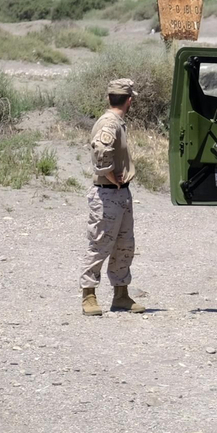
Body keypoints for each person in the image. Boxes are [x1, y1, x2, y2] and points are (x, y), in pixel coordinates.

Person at [79, 78, 144, 316]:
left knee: (124, 246)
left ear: (109, 98)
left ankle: (121, 295)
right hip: (107, 194)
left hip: (119, 194)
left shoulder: (117, 122)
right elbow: (101, 154)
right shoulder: (110, 123)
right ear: (129, 101)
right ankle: (89, 296)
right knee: (99, 245)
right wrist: (112, 178)